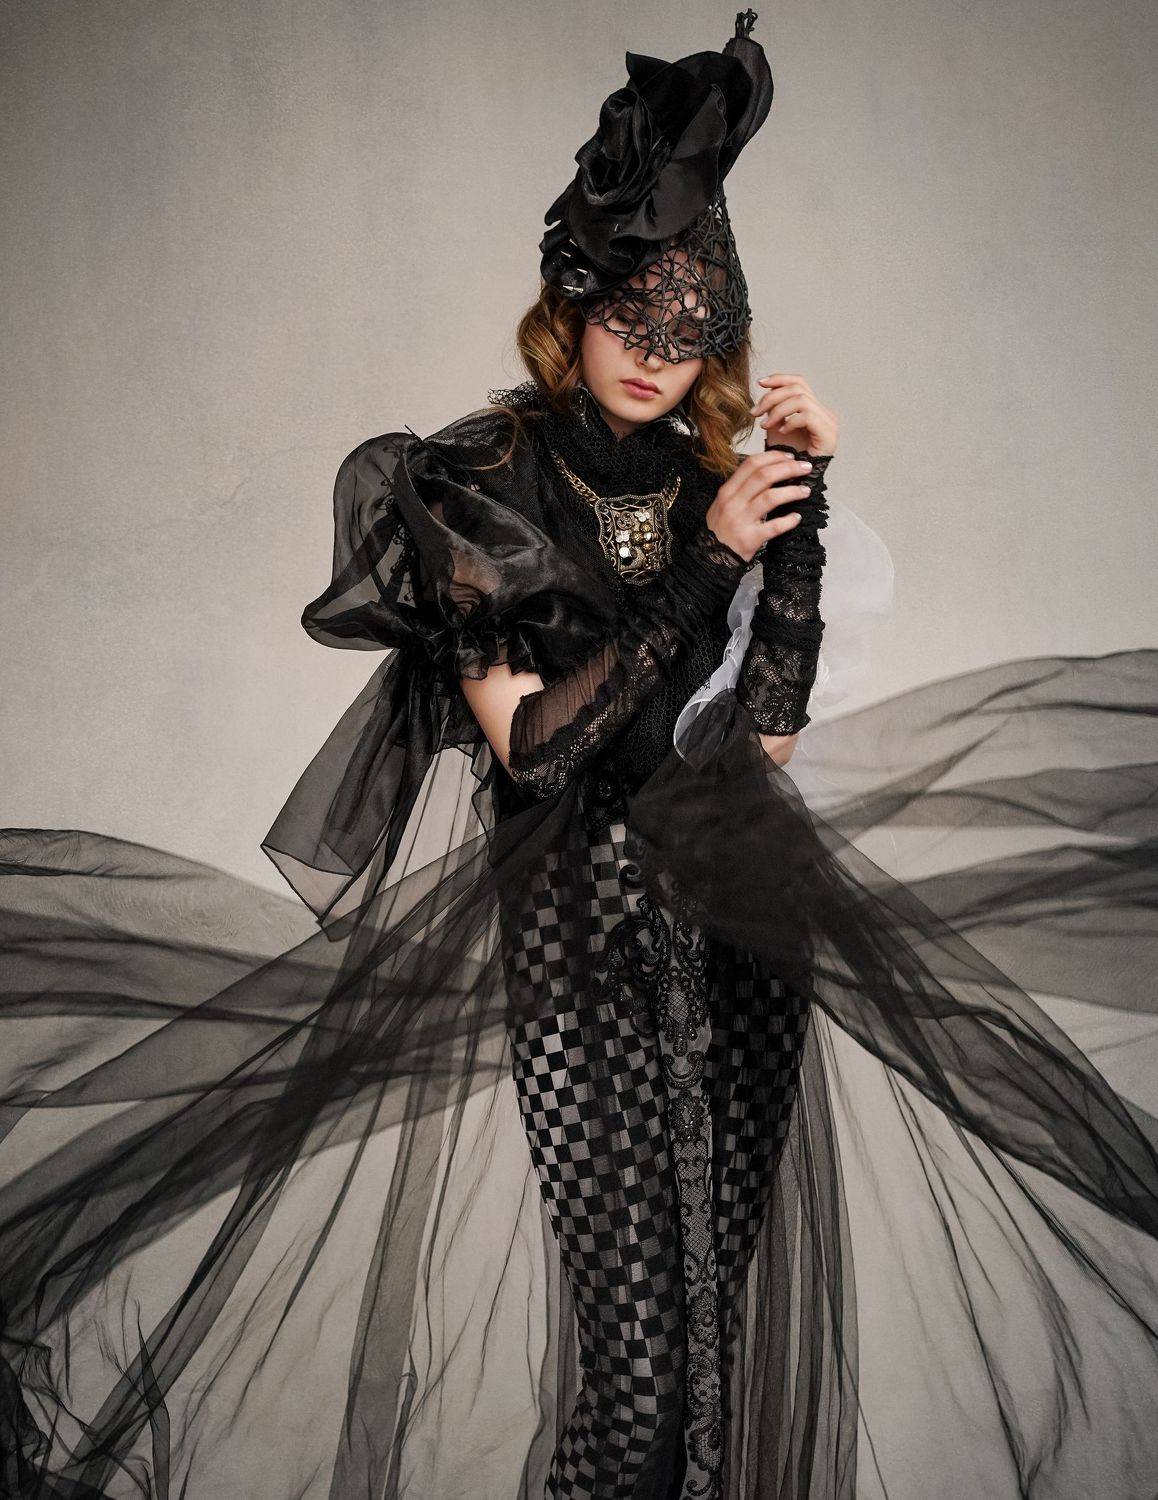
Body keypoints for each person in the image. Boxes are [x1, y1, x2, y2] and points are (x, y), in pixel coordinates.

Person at [2, 11, 1157, 1500]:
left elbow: (764, 741)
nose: (657, 361)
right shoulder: (478, 480)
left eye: (689, 338)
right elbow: (535, 749)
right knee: (632, 1375)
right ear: (575, 302)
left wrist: (796, 518)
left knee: (706, 1363)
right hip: (577, 939)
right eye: (632, 323)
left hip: (748, 942)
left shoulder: (715, 478)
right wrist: (703, 564)